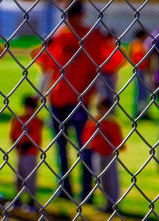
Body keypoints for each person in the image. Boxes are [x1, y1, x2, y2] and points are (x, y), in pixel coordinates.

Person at [34, 0, 119, 201]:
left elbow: (107, 65)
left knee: (85, 148)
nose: (71, 20)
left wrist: (101, 94)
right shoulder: (60, 37)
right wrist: (41, 93)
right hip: (57, 99)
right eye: (68, 15)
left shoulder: (91, 36)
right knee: (62, 149)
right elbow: (46, 66)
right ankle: (65, 188)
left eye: (73, 15)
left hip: (80, 101)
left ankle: (86, 191)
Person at [82, 98, 125, 212]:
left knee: (112, 179)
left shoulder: (113, 124)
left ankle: (114, 203)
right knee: (101, 179)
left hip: (110, 156)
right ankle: (107, 204)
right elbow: (86, 140)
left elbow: (120, 144)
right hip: (98, 154)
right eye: (99, 109)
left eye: (104, 109)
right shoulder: (94, 122)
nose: (101, 112)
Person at [8, 96, 43, 212]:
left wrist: (27, 145)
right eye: (30, 107)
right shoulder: (18, 119)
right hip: (19, 152)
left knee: (31, 178)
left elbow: (36, 138)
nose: (31, 110)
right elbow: (13, 134)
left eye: (33, 108)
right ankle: (17, 200)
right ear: (25, 106)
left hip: (30, 154)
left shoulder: (37, 121)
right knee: (18, 177)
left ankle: (31, 202)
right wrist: (17, 146)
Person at [129, 30, 151, 119]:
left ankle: (143, 111)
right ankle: (140, 112)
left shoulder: (140, 44)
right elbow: (136, 57)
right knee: (142, 92)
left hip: (142, 70)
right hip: (140, 70)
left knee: (144, 92)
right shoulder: (137, 44)